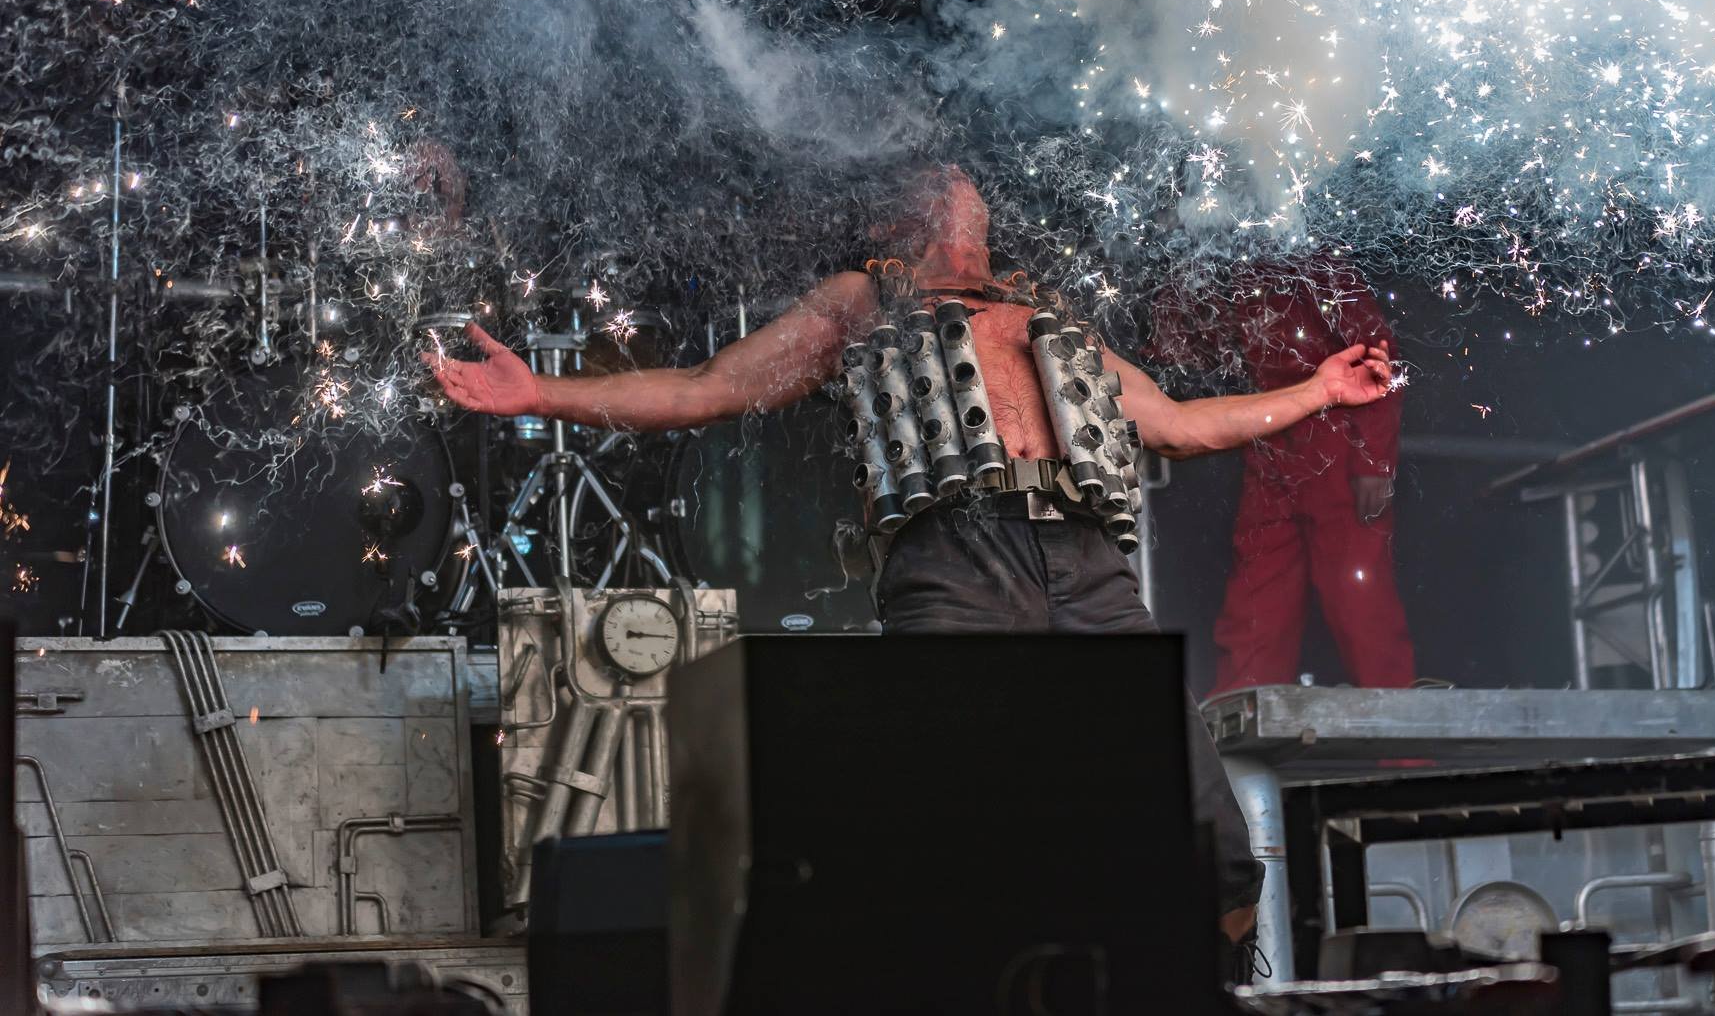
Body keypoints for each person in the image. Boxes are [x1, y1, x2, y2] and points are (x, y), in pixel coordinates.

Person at [427, 165, 1394, 945]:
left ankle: (1203, 980)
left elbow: (1181, 424)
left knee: (1200, 820)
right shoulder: (864, 302)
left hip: (1086, 560)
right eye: (932, 186)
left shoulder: (1045, 317)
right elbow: (703, 388)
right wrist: (540, 396)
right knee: (944, 809)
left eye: (963, 184)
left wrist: (1317, 391)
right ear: (899, 220)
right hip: (954, 558)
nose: (952, 188)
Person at [1209, 265, 1411, 695]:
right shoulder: (1227, 270)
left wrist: (1373, 464)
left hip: (1335, 450)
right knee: (1256, 604)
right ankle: (1237, 741)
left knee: (1359, 606)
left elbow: (1380, 360)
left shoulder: (1319, 267)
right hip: (1268, 449)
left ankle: (1404, 752)